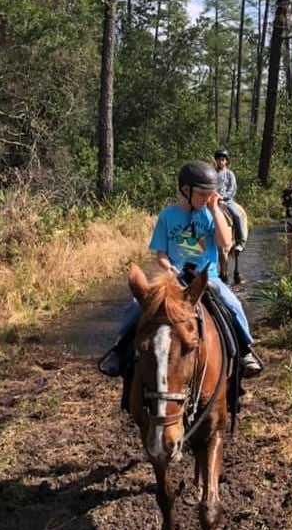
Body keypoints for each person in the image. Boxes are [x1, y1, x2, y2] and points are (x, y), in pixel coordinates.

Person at [98, 160, 263, 379]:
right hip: (174, 278)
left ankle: (245, 350)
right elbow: (161, 254)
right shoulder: (167, 216)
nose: (207, 199)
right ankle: (119, 350)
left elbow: (224, 244)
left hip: (207, 277)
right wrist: (169, 268)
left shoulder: (210, 213)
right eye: (203, 194)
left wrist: (214, 209)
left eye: (210, 194)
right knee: (137, 305)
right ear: (185, 191)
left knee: (233, 304)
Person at [214, 148, 245, 253]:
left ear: (226, 161)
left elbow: (232, 189)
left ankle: (240, 241)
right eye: (218, 159)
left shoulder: (229, 174)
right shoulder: (211, 173)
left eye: (222, 159)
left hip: (227, 200)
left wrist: (223, 197)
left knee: (237, 215)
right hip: (213, 200)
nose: (220, 161)